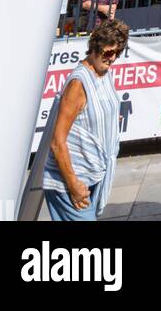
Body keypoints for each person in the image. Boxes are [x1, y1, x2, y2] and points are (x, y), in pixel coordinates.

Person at [42, 19, 129, 221]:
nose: (113, 58)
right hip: (70, 180)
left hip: (94, 173)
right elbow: (57, 141)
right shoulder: (78, 84)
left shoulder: (104, 73)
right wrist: (73, 185)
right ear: (95, 47)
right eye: (108, 52)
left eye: (117, 53)